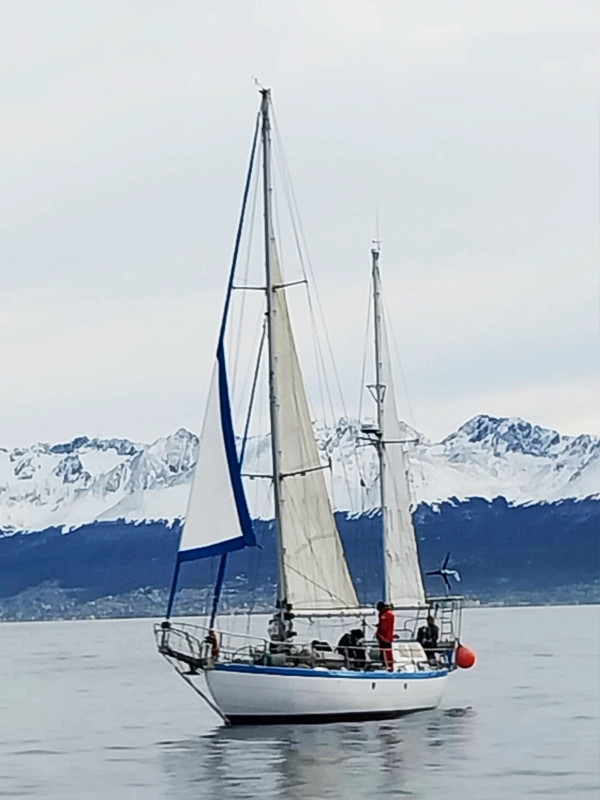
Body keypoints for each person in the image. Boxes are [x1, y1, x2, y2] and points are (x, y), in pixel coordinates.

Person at [375, 601, 395, 671]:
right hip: (387, 637)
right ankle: (388, 664)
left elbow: (384, 626)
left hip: (384, 637)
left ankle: (388, 665)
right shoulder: (389, 614)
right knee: (386, 651)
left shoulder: (386, 614)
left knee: (385, 652)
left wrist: (380, 634)